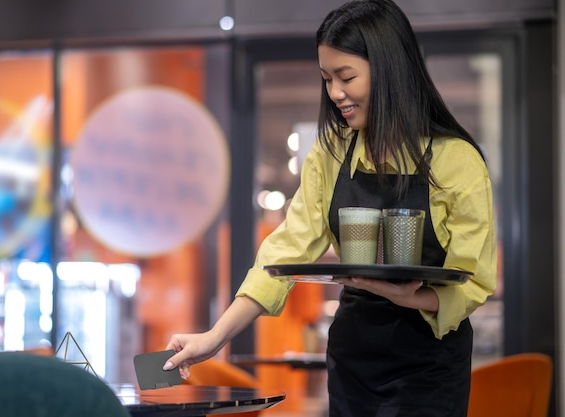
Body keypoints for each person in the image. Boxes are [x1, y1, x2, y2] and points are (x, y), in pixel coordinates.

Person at [163, 0, 497, 416]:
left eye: (346, 76)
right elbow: (285, 251)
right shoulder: (330, 153)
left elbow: (474, 280)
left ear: (390, 69)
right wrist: (215, 336)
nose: (334, 93)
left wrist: (411, 298)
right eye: (326, 78)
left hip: (429, 366)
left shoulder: (456, 160)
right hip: (353, 358)